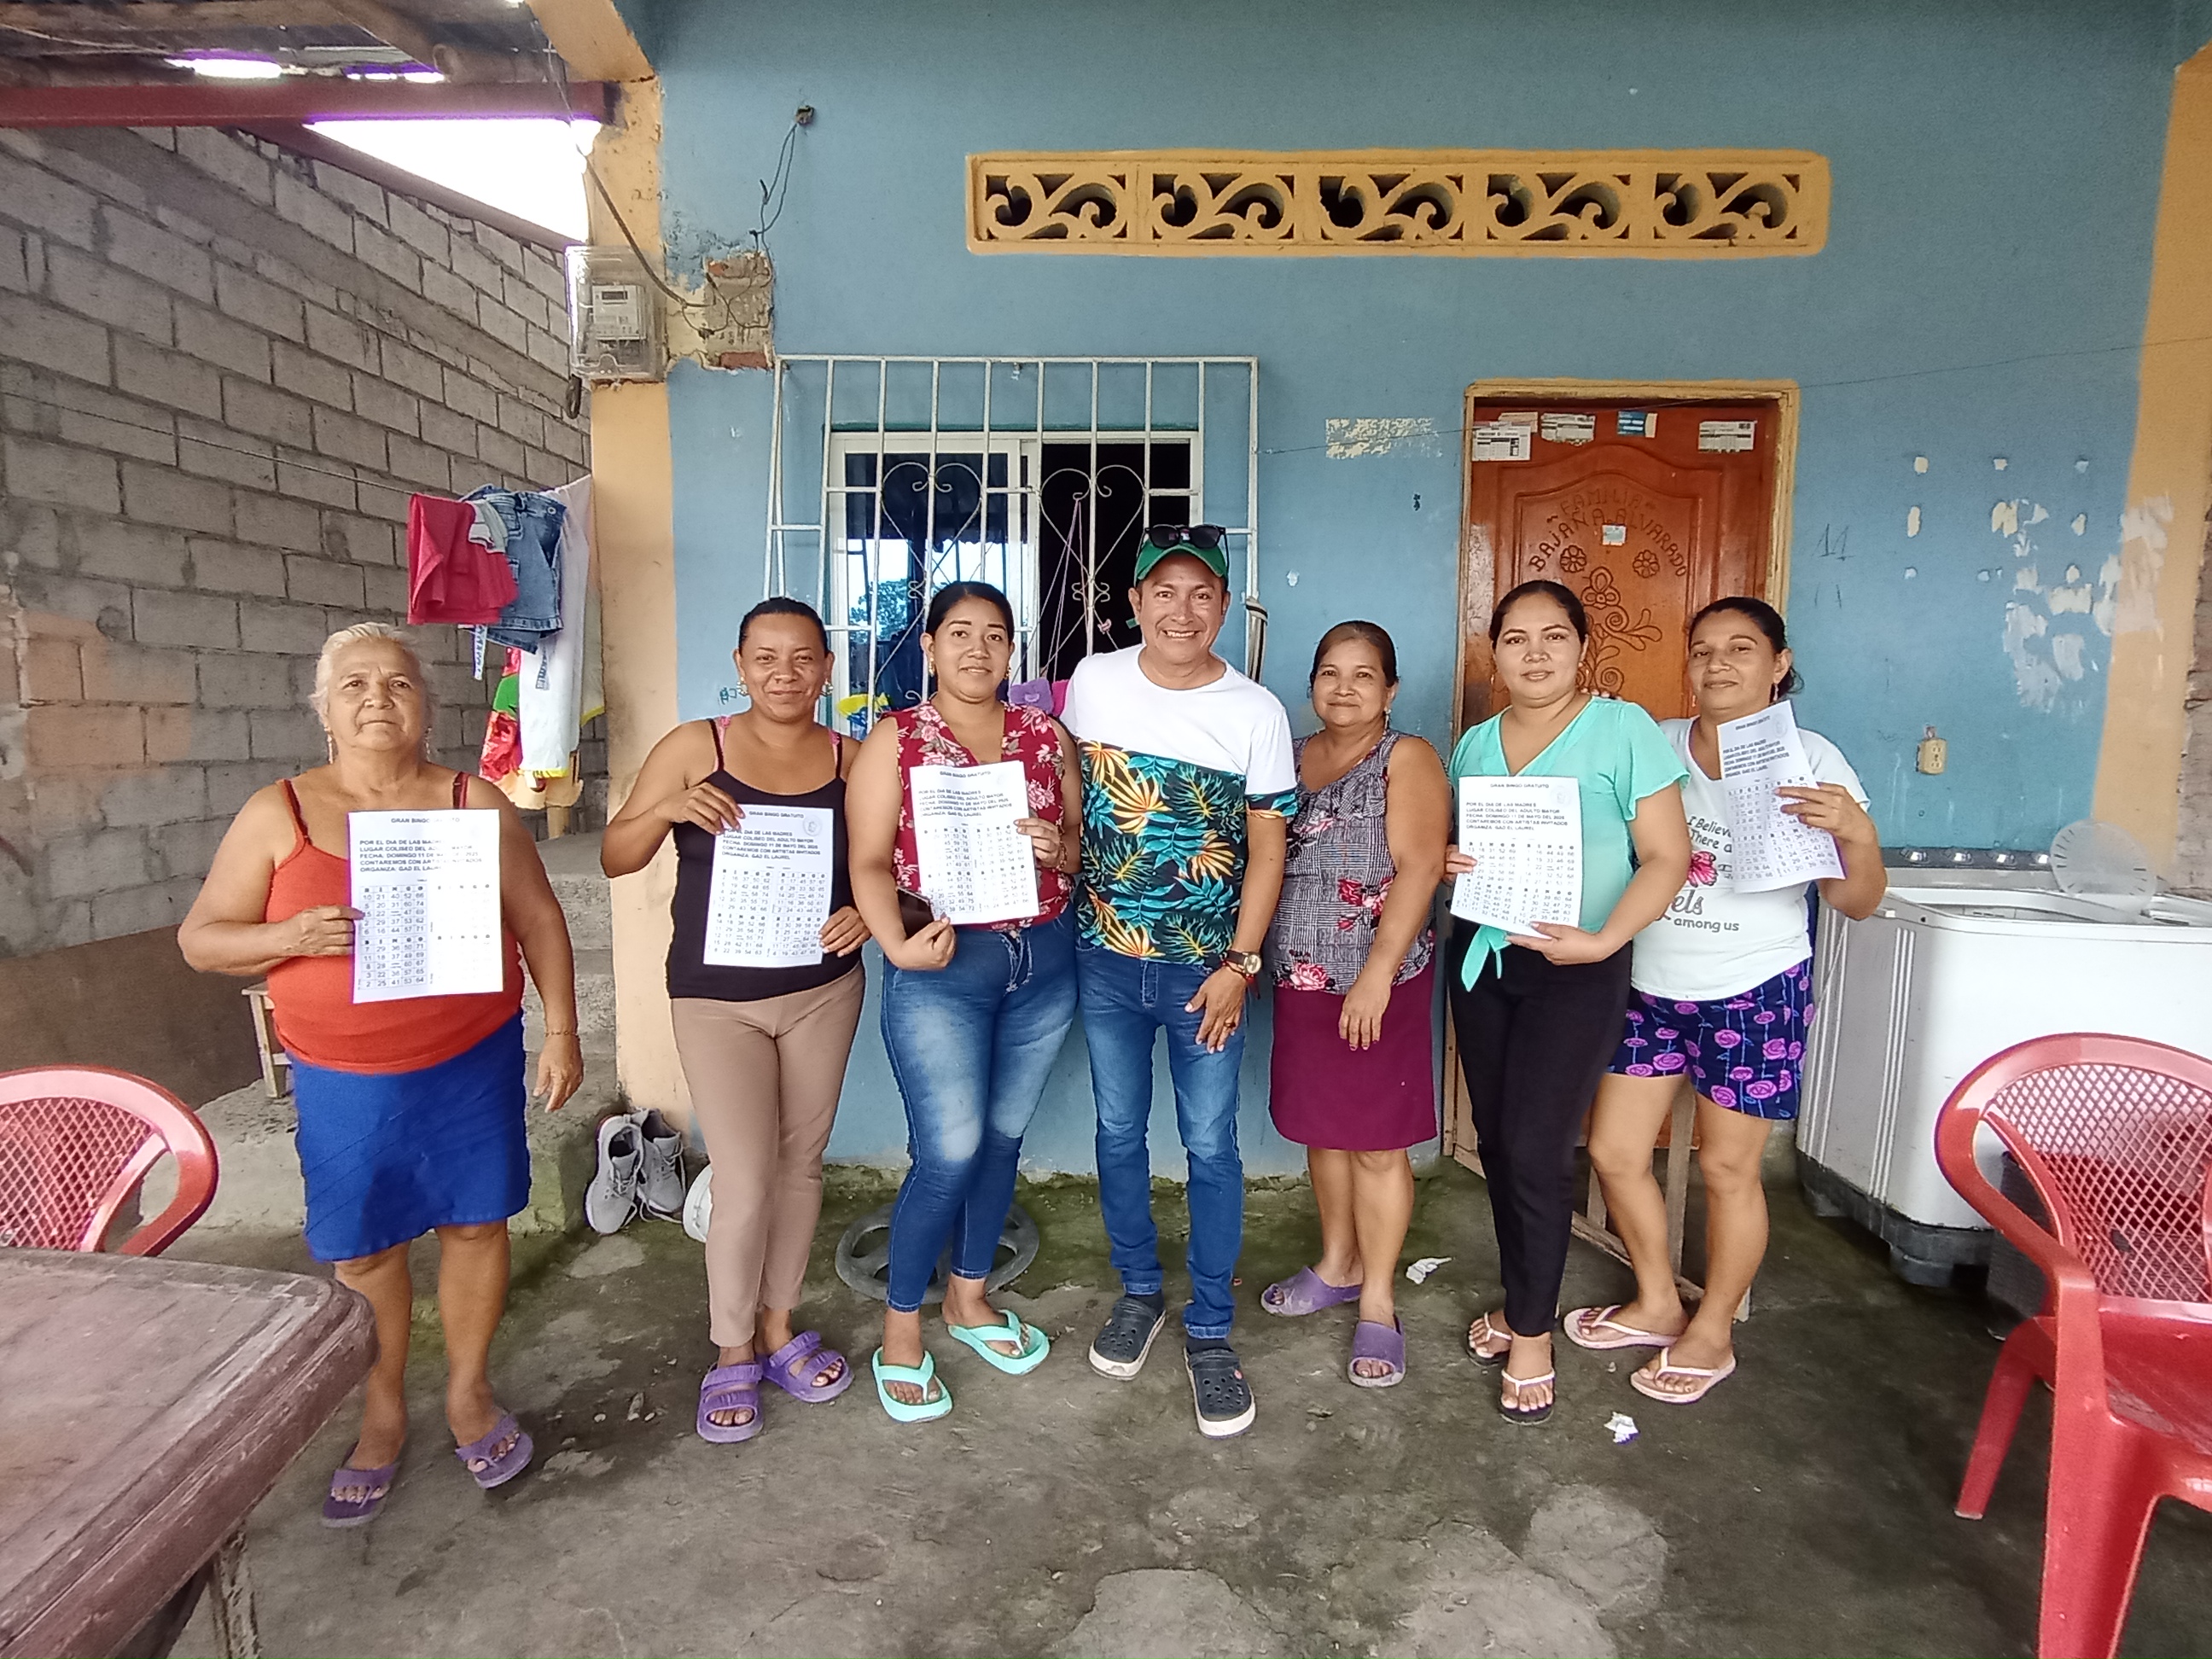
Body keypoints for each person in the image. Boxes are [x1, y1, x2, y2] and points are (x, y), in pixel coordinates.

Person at [179, 623, 583, 1525]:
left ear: (426, 707)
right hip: (344, 1076)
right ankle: (383, 1407)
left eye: (398, 684)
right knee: (364, 1249)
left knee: (476, 1225)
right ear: (323, 710)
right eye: (354, 685)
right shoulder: (278, 813)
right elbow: (201, 940)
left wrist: (561, 1031)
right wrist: (287, 936)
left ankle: (469, 1392)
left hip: (469, 1060)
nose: (376, 699)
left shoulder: (471, 802)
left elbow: (540, 920)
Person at [1568, 597, 1883, 1404]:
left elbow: (1855, 902)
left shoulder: (1812, 759)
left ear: (1779, 665)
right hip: (1649, 984)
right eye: (1703, 649)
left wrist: (1857, 834)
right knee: (1615, 1153)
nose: (1718, 664)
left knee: (1729, 1168)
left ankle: (1713, 1331)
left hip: (1755, 990)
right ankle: (1657, 1301)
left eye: (1741, 649)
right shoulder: (1655, 742)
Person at [601, 597, 871, 1444]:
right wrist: (667, 809)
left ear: (827, 669)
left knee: (800, 1166)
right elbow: (615, 855)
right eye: (766, 658)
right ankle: (732, 1347)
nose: (784, 674)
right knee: (745, 1177)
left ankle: (779, 1326)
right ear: (740, 665)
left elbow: (892, 867)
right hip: (716, 998)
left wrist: (872, 913)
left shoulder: (854, 759)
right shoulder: (697, 748)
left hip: (823, 989)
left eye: (802, 658)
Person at [1061, 525, 1297, 1440]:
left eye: (1202, 594)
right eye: (1164, 592)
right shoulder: (1093, 682)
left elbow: (1268, 851)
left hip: (1207, 976)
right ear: (1135, 602)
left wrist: (1240, 964)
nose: (1182, 611)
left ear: (1224, 607)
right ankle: (1138, 1292)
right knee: (1119, 1131)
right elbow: (1063, 791)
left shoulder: (1256, 712)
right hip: (1104, 959)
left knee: (1209, 1145)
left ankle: (1209, 1326)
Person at [1444, 580, 1691, 1426]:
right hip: (1484, 959)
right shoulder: (1476, 744)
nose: (1536, 653)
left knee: (1537, 1146)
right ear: (1496, 653)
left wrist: (1603, 939)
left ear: (1584, 646)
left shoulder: (1623, 730)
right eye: (1516, 638)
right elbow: (1472, 846)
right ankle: (1526, 1300)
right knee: (1499, 1145)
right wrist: (1456, 860)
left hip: (1579, 968)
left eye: (1554, 636)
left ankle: (1532, 1336)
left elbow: (1666, 855)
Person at [847, 581, 1083, 1422]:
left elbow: (1077, 847)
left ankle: (969, 1296)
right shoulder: (897, 739)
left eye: (994, 635)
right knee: (949, 1151)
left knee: (1003, 1138)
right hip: (943, 964)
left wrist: (1060, 848)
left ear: (1013, 650)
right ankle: (900, 1330)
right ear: (930, 647)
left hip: (1043, 961)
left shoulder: (1045, 736)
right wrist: (895, 945)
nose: (977, 649)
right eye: (959, 633)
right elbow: (867, 860)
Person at [1259, 621, 1449, 1389]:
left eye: (1363, 675)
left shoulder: (1406, 758)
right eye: (1330, 673)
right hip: (1300, 979)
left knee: (1376, 1142)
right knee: (1325, 1129)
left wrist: (1377, 973)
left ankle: (1378, 1300)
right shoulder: (1291, 757)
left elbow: (1421, 866)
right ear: (1312, 684)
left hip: (1380, 982)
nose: (1344, 688)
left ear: (1390, 689)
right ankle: (1338, 1263)